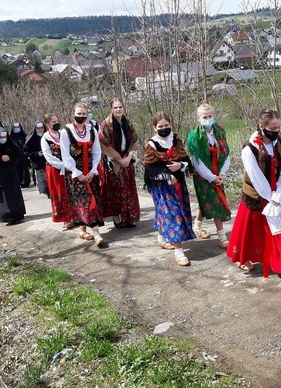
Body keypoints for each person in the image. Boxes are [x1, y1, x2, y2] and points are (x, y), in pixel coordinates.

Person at [226, 109, 281, 277]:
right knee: (251, 229)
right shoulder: (249, 149)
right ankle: (243, 257)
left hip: (277, 193)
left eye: (278, 128)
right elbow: (256, 177)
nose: (276, 132)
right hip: (258, 194)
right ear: (261, 126)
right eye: (272, 129)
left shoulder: (279, 142)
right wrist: (271, 196)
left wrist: (280, 191)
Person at [143, 112, 196, 266]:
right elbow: (150, 170)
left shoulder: (176, 140)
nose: (164, 128)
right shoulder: (151, 145)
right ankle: (179, 252)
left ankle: (161, 238)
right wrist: (167, 176)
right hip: (162, 186)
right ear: (155, 128)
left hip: (179, 183)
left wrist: (181, 165)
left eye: (166, 125)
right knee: (173, 214)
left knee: (169, 212)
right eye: (160, 126)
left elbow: (185, 160)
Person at [187, 103, 231, 249]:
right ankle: (222, 238)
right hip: (203, 175)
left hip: (217, 172)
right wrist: (211, 177)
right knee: (215, 202)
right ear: (199, 119)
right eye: (204, 117)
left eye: (210, 116)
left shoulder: (219, 131)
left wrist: (222, 173)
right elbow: (197, 161)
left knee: (206, 202)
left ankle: (197, 226)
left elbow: (225, 153)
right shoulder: (195, 136)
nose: (208, 119)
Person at [60, 102, 105, 246]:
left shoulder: (92, 129)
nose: (81, 116)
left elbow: (97, 151)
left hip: (90, 170)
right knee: (85, 200)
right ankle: (97, 233)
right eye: (78, 114)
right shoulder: (66, 131)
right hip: (75, 172)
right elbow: (65, 154)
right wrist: (77, 172)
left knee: (92, 199)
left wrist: (93, 170)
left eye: (83, 114)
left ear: (87, 115)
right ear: (73, 114)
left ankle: (81, 230)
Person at [99, 98, 140, 228]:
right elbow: (103, 143)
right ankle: (117, 218)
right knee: (115, 190)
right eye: (115, 107)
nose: (118, 110)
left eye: (120, 107)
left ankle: (128, 218)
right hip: (113, 161)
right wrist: (118, 158)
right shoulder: (106, 124)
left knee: (128, 190)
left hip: (126, 160)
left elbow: (135, 140)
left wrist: (128, 158)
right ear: (111, 109)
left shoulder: (127, 122)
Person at [41, 113, 72, 226]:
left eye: (57, 121)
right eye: (53, 122)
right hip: (54, 169)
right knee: (59, 192)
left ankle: (73, 214)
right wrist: (61, 165)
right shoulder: (45, 138)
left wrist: (68, 164)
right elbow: (48, 156)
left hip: (68, 167)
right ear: (48, 124)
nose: (56, 123)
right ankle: (64, 217)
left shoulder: (63, 134)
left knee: (69, 190)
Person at [24, 121, 49, 197]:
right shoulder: (31, 139)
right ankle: (45, 191)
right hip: (38, 163)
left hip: (48, 161)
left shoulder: (47, 136)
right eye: (38, 128)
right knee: (42, 180)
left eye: (41, 128)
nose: (40, 130)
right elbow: (26, 151)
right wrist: (36, 154)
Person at [10, 122, 31, 188]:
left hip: (24, 156)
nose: (17, 129)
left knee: (25, 169)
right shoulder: (11, 138)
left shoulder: (24, 136)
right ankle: (18, 182)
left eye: (18, 127)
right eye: (15, 127)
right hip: (16, 156)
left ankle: (26, 182)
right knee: (17, 169)